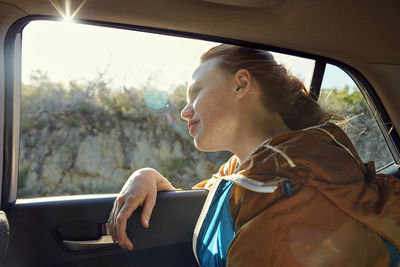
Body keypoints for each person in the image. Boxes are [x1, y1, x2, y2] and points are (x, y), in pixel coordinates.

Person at [107, 44, 400, 266]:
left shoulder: (288, 189)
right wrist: (147, 176)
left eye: (195, 92)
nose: (185, 111)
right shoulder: (256, 170)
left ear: (241, 84)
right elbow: (208, 204)